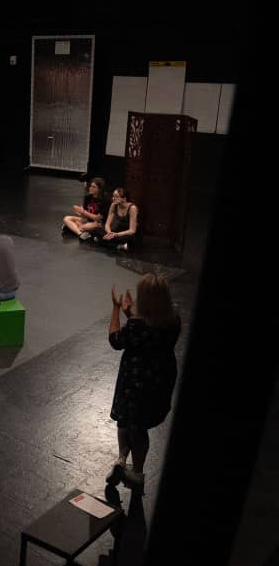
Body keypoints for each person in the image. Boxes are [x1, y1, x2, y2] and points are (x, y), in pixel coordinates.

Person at [106, 274, 180, 493]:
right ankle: (132, 469)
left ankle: (129, 466)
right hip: (159, 380)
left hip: (135, 382)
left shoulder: (137, 325)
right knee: (139, 424)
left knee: (126, 421)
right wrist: (131, 315)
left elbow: (115, 340)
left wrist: (116, 309)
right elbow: (149, 331)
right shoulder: (173, 319)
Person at [97, 187, 139, 252]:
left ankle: (102, 241)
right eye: (113, 196)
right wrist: (109, 233)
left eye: (116, 196)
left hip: (124, 234)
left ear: (124, 199)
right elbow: (107, 224)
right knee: (96, 230)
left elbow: (132, 230)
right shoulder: (114, 205)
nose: (113, 198)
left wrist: (116, 234)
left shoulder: (132, 208)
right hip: (114, 231)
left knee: (128, 238)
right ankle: (119, 246)